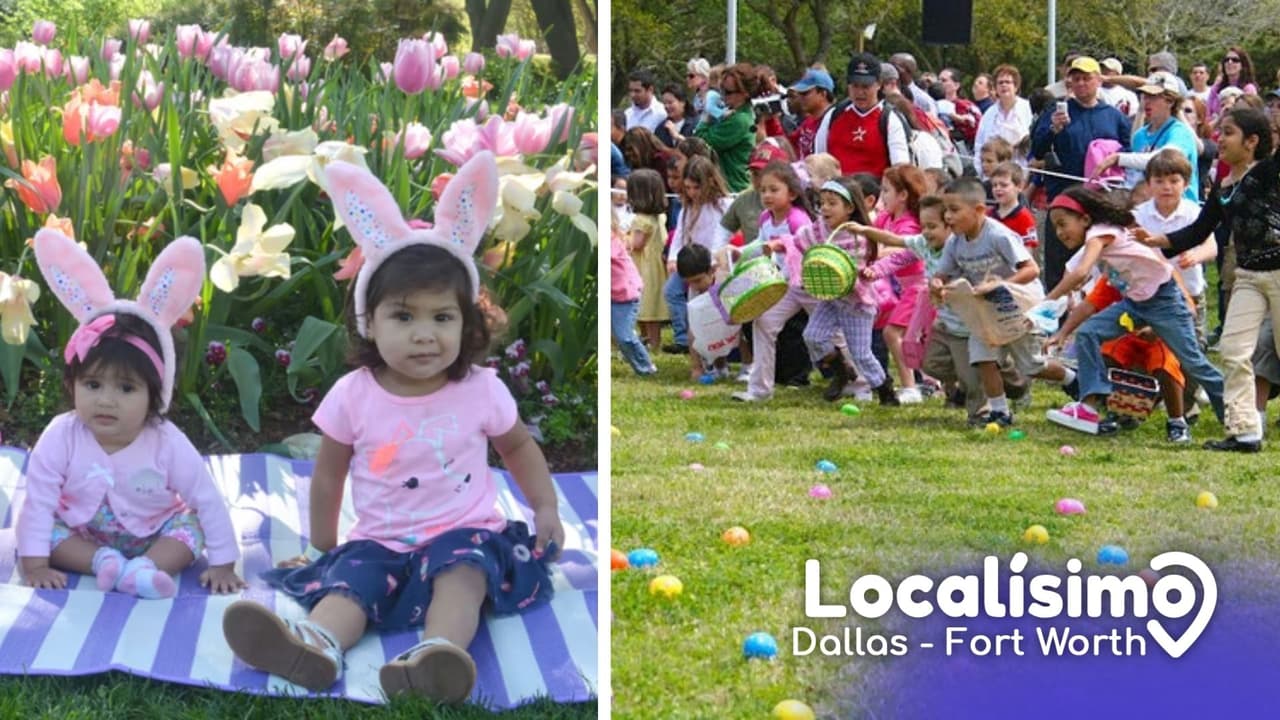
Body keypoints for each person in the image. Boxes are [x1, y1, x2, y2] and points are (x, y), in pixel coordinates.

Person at [222, 153, 565, 700]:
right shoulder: (354, 396)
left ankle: (435, 656)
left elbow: (519, 448)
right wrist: (321, 549)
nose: (424, 334)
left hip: (462, 531)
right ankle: (315, 645)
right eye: (403, 317)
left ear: (466, 323)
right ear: (370, 323)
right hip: (380, 538)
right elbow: (329, 477)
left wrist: (544, 506)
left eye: (442, 317)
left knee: (464, 576)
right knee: (351, 583)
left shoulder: (479, 388)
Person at [19, 232, 243, 598]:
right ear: (72, 383)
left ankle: (144, 569)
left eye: (126, 389)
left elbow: (205, 497)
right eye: (92, 385)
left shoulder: (165, 441)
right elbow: (40, 498)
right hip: (83, 534)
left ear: (155, 394)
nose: (106, 401)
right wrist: (35, 563)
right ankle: (101, 562)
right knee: (48, 530)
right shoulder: (62, 435)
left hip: (154, 530)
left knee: (191, 527)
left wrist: (222, 564)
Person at [1139, 107, 1280, 452]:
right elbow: (1203, 228)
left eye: (1228, 132)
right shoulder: (1224, 181)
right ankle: (1246, 432)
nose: (1219, 138)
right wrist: (1161, 241)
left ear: (1252, 141)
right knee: (1232, 351)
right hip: (1247, 276)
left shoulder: (1269, 173)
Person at [1041, 187, 1224, 437]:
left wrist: (1046, 301)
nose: (1060, 233)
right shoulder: (1101, 242)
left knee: (1194, 362)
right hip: (1135, 303)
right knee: (1088, 334)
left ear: (1084, 219)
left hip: (1164, 301)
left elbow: (1080, 273)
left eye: (1063, 224)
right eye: (1056, 228)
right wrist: (1062, 333)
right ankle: (1089, 407)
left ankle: (1234, 411)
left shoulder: (1099, 234)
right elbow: (1087, 302)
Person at [930, 178, 1079, 427]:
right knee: (982, 358)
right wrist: (937, 283)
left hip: (1017, 307)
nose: (948, 217)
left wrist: (1000, 285)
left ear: (978, 209)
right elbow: (941, 274)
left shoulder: (998, 235)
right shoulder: (954, 244)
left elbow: (1031, 269)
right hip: (986, 311)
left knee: (1031, 366)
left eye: (954, 210)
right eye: (945, 210)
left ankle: (1072, 379)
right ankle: (999, 411)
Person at [1031, 56, 1132, 293]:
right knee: (1059, 264)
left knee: (1099, 264)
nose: (1082, 84)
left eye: (1087, 78)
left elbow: (1128, 151)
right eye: (1076, 79)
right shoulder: (1055, 110)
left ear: (1098, 80)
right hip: (1063, 198)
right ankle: (1055, 316)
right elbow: (1037, 150)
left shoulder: (1114, 116)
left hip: (1100, 200)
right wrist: (1053, 130)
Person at [796, 177, 894, 403]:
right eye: (822, 203)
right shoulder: (818, 229)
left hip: (856, 302)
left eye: (832, 203)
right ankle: (841, 371)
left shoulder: (859, 238)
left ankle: (884, 388)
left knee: (861, 353)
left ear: (850, 208)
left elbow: (850, 272)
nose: (825, 208)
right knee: (813, 336)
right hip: (831, 298)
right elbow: (801, 242)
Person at [733, 161, 818, 402]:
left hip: (808, 286)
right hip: (784, 287)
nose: (767, 195)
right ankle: (760, 389)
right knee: (764, 323)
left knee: (832, 334)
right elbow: (760, 244)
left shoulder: (798, 219)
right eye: (763, 190)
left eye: (774, 190)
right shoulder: (765, 218)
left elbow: (805, 251)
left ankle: (860, 382)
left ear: (791, 193)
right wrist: (739, 252)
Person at [1091, 72, 1199, 201]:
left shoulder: (1180, 132)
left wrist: (1118, 158)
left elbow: (1165, 160)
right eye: (1145, 95)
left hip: (1181, 211)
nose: (1146, 101)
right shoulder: (1139, 135)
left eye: (1153, 96)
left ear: (1170, 101)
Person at [871, 165, 928, 403]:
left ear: (903, 195)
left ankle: (910, 387)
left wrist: (880, 252)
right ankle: (928, 381)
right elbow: (872, 236)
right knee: (916, 337)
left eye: (886, 191)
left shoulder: (910, 224)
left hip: (917, 287)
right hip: (898, 288)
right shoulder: (886, 217)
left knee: (893, 333)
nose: (882, 197)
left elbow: (906, 248)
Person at [664, 156, 733, 354]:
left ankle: (723, 350)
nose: (692, 193)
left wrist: (715, 261)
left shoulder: (723, 205)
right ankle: (687, 341)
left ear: (710, 182)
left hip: (713, 265)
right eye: (688, 188)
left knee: (717, 308)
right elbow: (680, 233)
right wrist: (672, 257)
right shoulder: (687, 208)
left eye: (696, 187)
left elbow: (724, 236)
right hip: (691, 262)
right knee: (678, 295)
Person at [815, 52, 910, 177]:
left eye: (866, 86)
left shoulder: (889, 119)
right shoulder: (834, 115)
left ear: (878, 84)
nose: (860, 92)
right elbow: (819, 158)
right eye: (855, 86)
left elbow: (900, 168)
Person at [696, 63, 759, 192]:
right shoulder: (732, 113)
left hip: (732, 190)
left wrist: (707, 114)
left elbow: (700, 142)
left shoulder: (740, 120)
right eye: (721, 90)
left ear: (745, 94)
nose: (722, 96)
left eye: (728, 92)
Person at [626, 169, 670, 350]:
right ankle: (651, 342)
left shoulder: (640, 220)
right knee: (652, 306)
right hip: (657, 266)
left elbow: (636, 244)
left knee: (646, 306)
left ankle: (649, 342)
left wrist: (621, 237)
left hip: (643, 267)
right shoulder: (659, 216)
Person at [612, 218, 658, 376]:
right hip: (612, 295)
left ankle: (646, 367)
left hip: (625, 296)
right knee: (619, 336)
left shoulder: (613, 240)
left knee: (624, 336)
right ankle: (641, 366)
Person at [973, 65, 1032, 180]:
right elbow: (979, 145)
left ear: (1016, 86)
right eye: (1000, 83)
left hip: (1021, 174)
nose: (1004, 85)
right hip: (992, 177)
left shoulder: (1028, 108)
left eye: (1008, 82)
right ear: (995, 88)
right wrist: (981, 173)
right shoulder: (989, 113)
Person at [788, 68, 835, 159]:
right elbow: (787, 144)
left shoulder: (834, 122)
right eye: (799, 94)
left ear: (823, 94)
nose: (800, 98)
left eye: (805, 93)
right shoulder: (809, 121)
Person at [989, 162, 1038, 250]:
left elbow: (1028, 251)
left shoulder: (1025, 217)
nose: (998, 189)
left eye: (1004, 185)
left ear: (1019, 186)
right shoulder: (988, 215)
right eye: (994, 185)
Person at [1208, 47, 1258, 119]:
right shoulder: (1216, 88)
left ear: (1243, 65)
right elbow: (1207, 113)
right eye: (1226, 60)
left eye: (1235, 60)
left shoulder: (1248, 89)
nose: (1230, 62)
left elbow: (1250, 116)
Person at [938, 67, 982, 149]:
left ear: (956, 85)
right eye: (938, 80)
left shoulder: (965, 106)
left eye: (944, 80)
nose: (939, 83)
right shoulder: (933, 104)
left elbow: (976, 129)